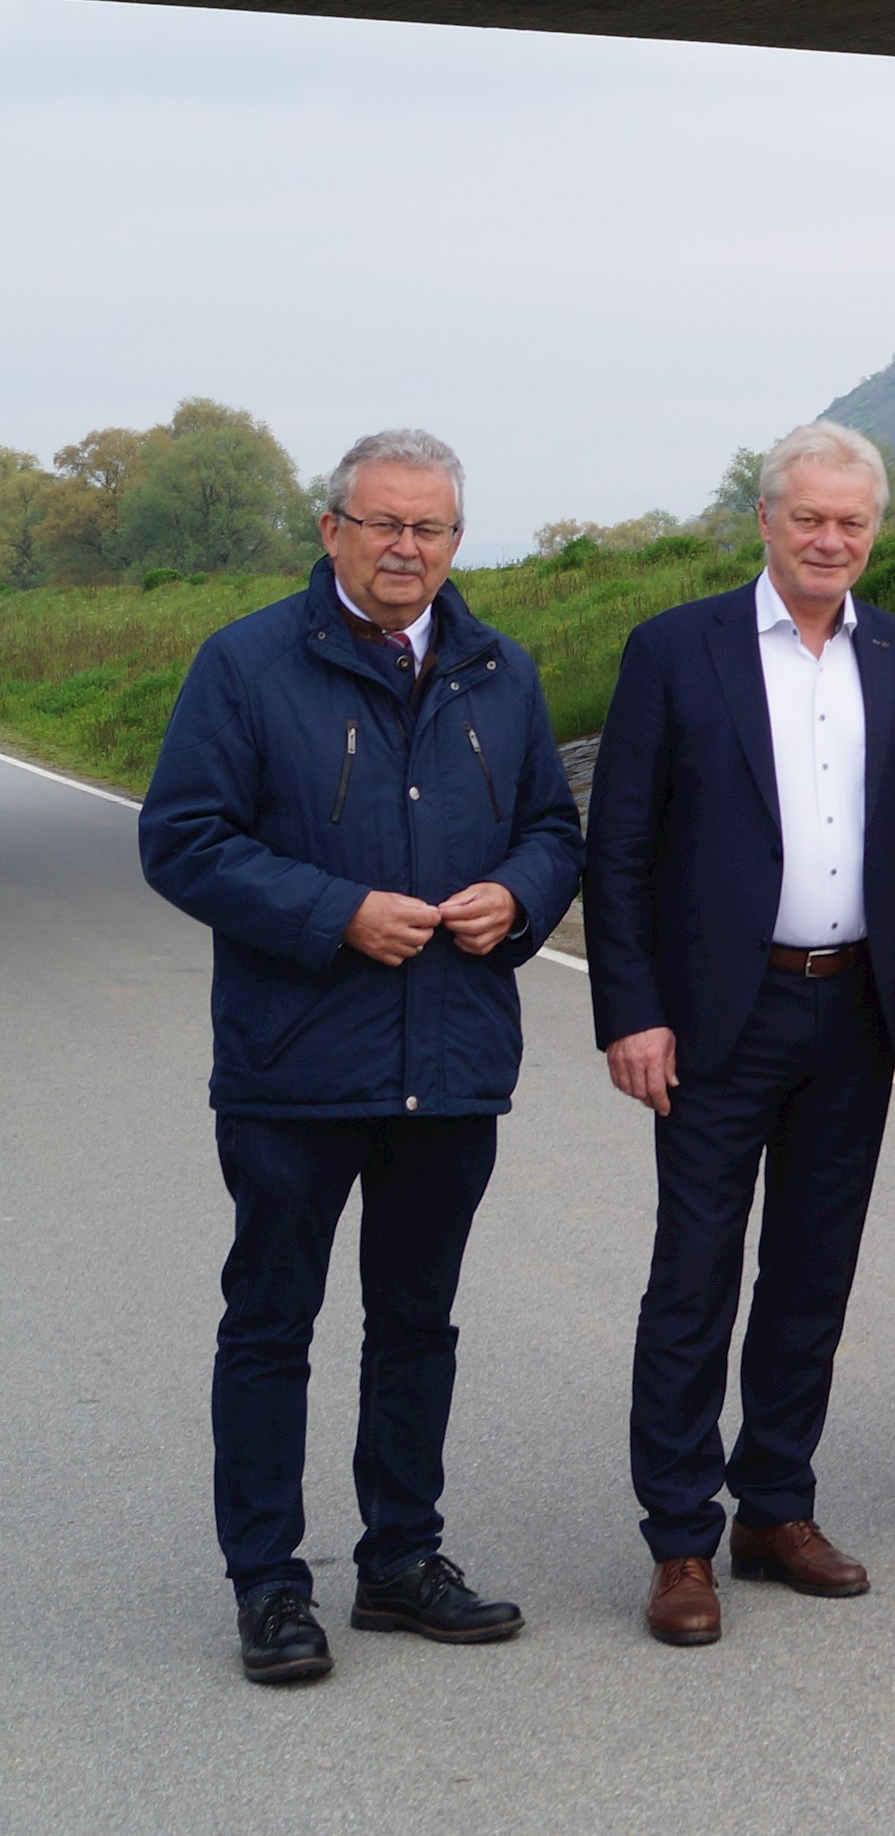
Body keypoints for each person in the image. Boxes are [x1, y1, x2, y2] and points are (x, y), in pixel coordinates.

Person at [138, 430, 583, 1684]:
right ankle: (270, 1585)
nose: (406, 549)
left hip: (450, 1059)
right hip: (294, 1063)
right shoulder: (246, 663)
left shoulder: (499, 668)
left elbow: (554, 824)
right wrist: (336, 911)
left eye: (430, 528)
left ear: (456, 539)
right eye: (382, 524)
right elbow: (183, 840)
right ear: (331, 528)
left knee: (417, 1323)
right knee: (272, 1323)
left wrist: (518, 891)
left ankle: (399, 1561)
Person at [588, 419, 895, 1647]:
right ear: (764, 520)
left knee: (813, 1273)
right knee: (694, 1276)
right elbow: (622, 851)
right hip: (718, 1014)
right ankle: (679, 1542)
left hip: (856, 1008)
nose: (829, 539)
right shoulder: (677, 651)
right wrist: (632, 1010)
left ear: (875, 531)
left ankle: (776, 1506)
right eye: (807, 517)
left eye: (851, 522)